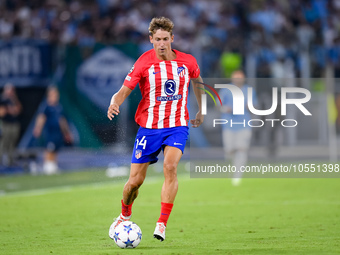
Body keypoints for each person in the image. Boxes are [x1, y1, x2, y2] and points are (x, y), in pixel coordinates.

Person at [107, 17, 204, 242]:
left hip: (177, 126)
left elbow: (198, 82)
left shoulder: (187, 62)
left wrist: (201, 109)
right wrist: (114, 102)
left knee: (170, 167)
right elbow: (123, 90)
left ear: (172, 38)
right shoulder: (144, 63)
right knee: (134, 183)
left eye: (165, 39)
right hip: (149, 129)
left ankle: (161, 223)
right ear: (151, 40)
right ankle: (124, 214)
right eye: (157, 39)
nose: (162, 43)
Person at [219, 70, 257, 186]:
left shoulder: (249, 90)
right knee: (229, 150)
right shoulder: (225, 90)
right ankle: (232, 169)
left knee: (241, 149)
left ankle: (237, 175)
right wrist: (227, 109)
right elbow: (219, 105)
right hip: (229, 125)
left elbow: (254, 106)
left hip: (244, 124)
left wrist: (247, 106)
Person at [33, 86, 73, 175]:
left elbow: (62, 121)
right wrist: (38, 128)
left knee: (55, 149)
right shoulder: (46, 107)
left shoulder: (59, 107)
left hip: (58, 132)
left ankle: (53, 165)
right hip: (50, 131)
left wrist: (66, 132)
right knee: (49, 149)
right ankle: (47, 166)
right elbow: (41, 118)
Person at [0, 83, 22, 166]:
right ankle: (1, 161)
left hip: (14, 124)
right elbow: (1, 113)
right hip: (6, 124)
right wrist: (9, 110)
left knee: (12, 143)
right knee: (3, 143)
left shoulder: (13, 100)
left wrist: (14, 101)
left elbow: (18, 110)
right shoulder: (2, 99)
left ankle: (10, 161)